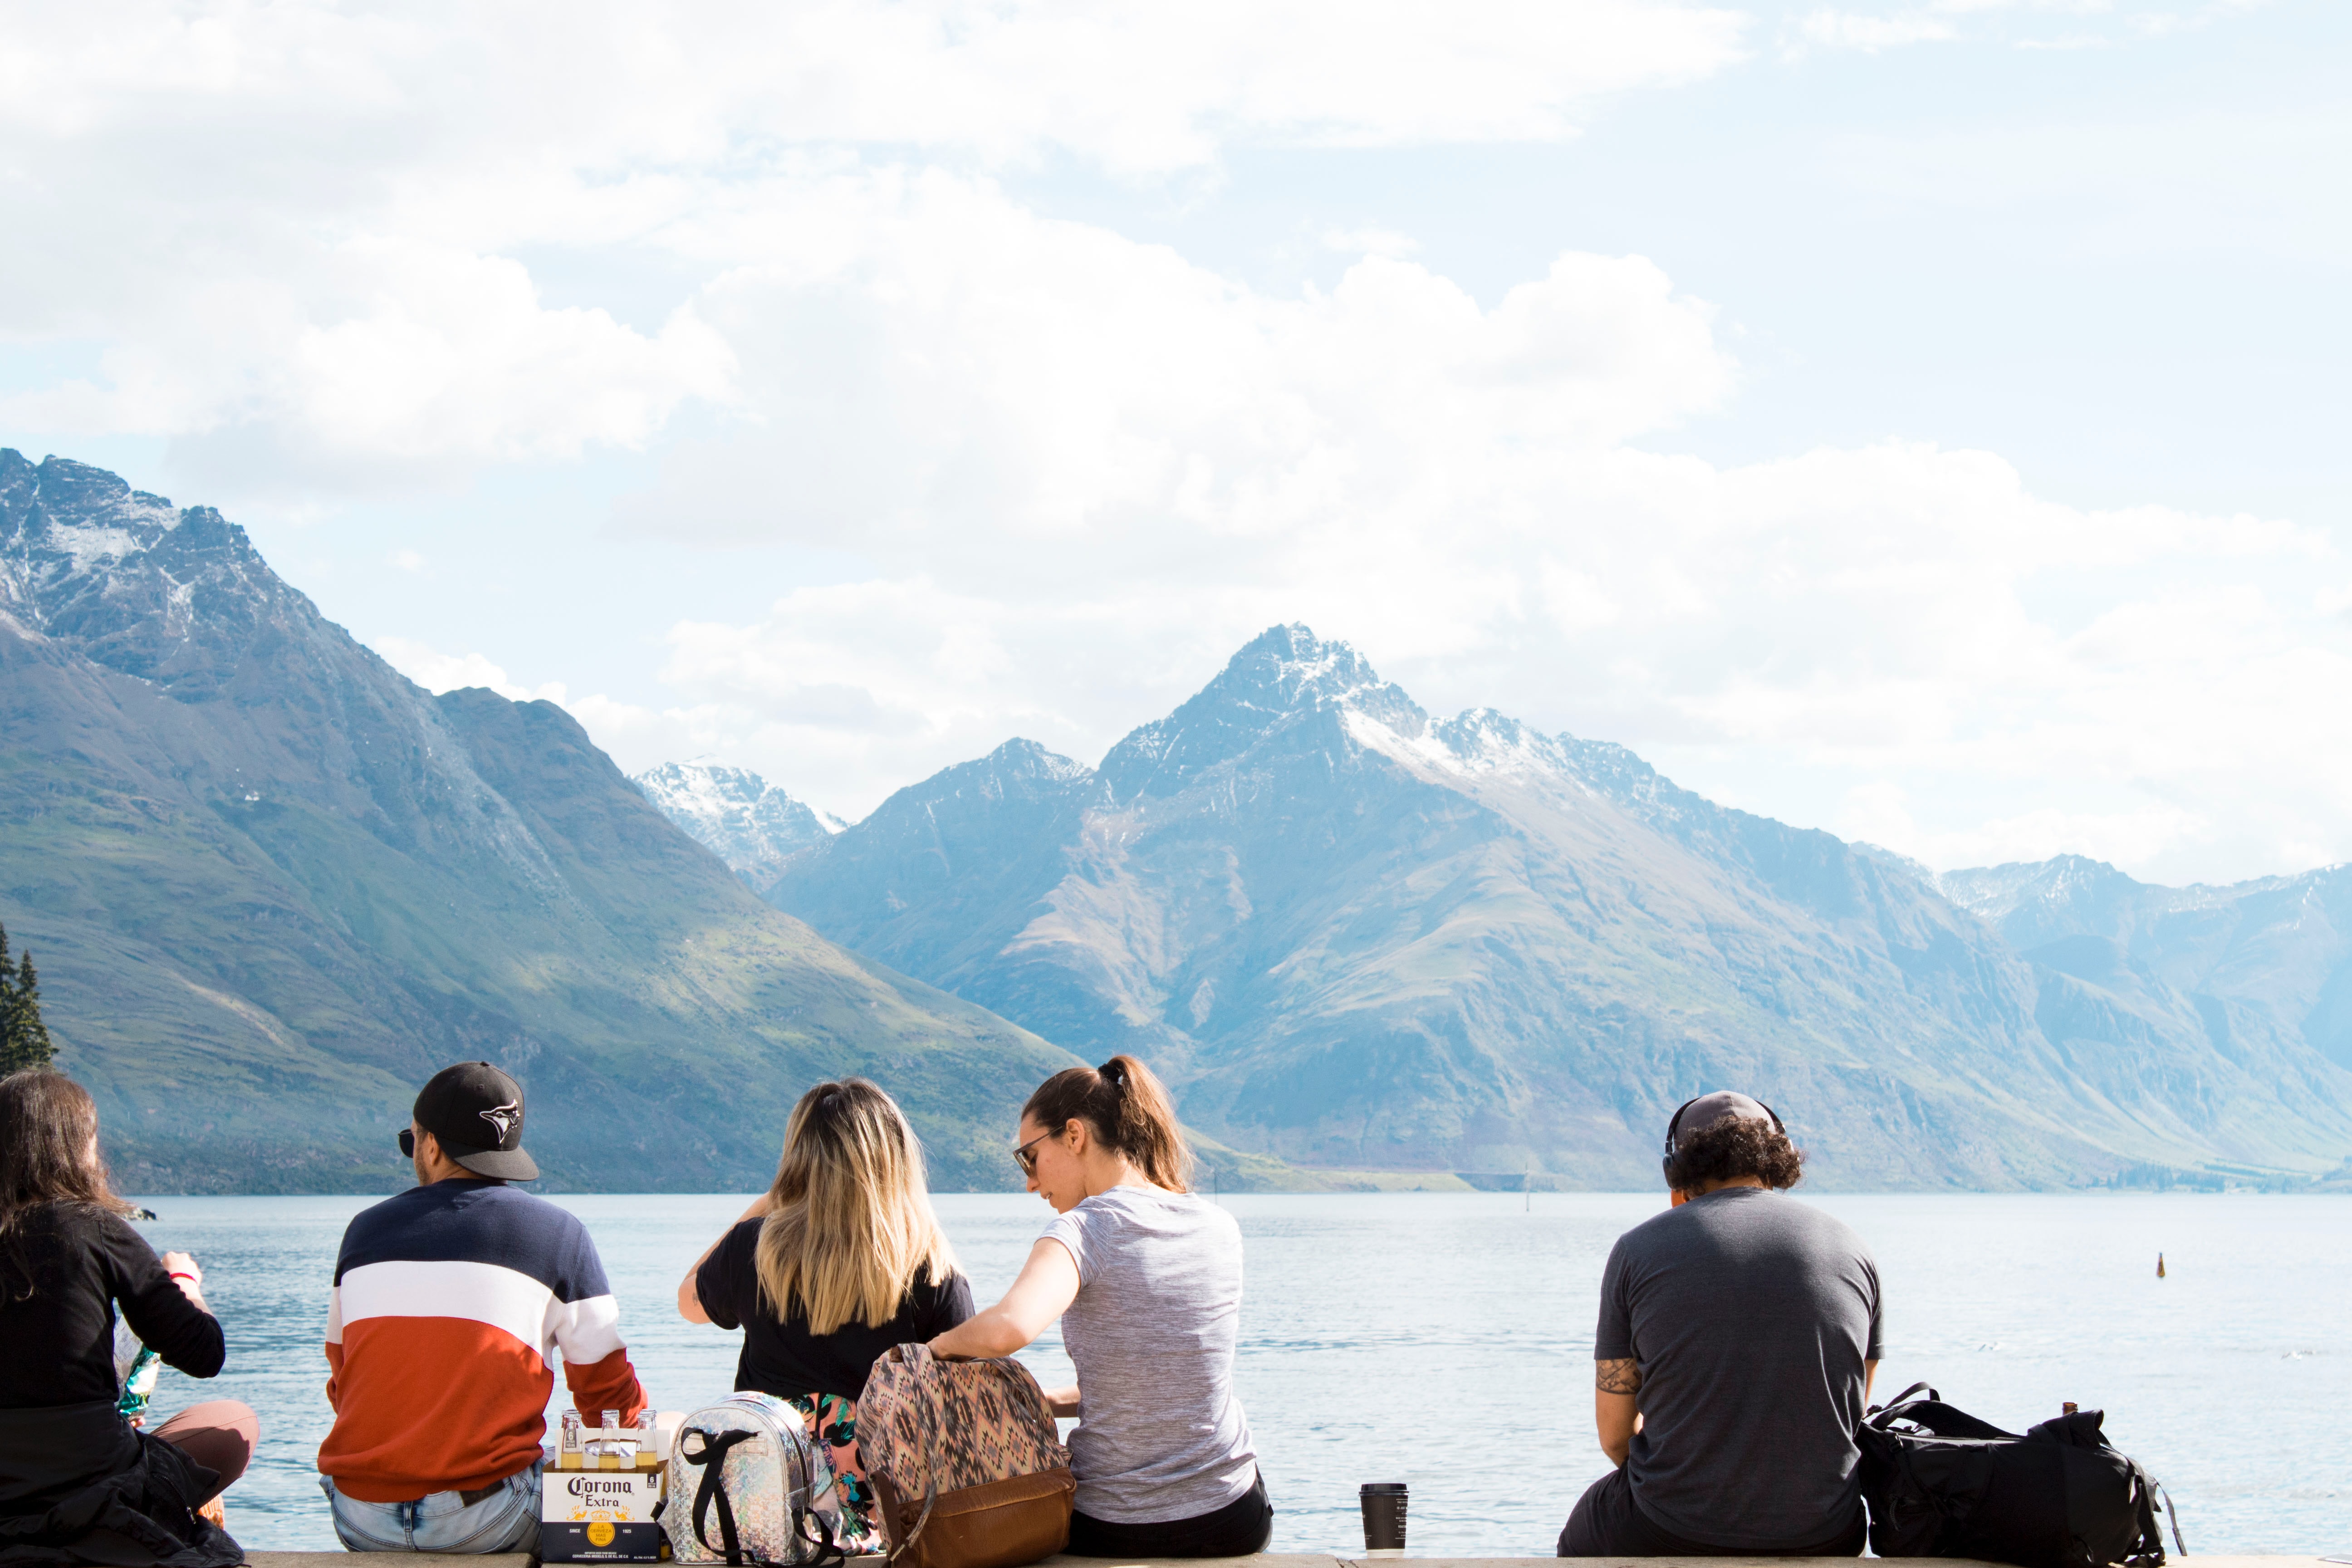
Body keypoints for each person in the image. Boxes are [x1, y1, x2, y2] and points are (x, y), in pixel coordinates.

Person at [931, 1055, 1269, 1559]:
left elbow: (1009, 1327)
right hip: (1233, 1516)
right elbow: (1158, 1383)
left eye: (1029, 1157)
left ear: (1074, 1135)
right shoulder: (1219, 1227)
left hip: (1115, 1523)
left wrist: (931, 1349)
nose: (1030, 1183)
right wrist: (1044, 1401)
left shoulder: (1085, 1230)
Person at [317, 1062, 651, 1553]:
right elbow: (607, 1399)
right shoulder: (558, 1235)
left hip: (359, 1516)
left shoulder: (363, 1232)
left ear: (430, 1145)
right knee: (592, 1480)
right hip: (488, 1517)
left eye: (412, 1142)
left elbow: (343, 1383)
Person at [1558, 1091, 1882, 1558]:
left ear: (1677, 1171)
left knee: (1584, 1527)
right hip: (1828, 1529)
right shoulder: (1854, 1249)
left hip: (1672, 1526)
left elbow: (1614, 1438)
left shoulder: (1636, 1250)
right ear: (1781, 1158)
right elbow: (1847, 1415)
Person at [678, 1078, 975, 1549]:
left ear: (799, 1159)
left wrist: (771, 1203)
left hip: (767, 1516)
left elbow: (688, 1303)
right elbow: (960, 1402)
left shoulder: (753, 1250)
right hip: (890, 1525)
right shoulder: (932, 1269)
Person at [0, 1069, 255, 1568]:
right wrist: (185, 1283)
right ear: (76, 1147)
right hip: (89, 1481)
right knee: (234, 1421)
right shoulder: (94, 1229)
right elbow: (204, 1354)